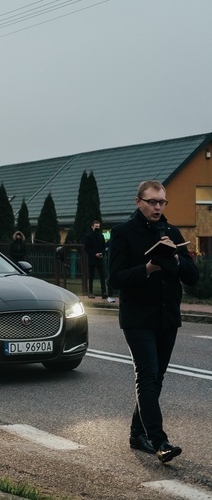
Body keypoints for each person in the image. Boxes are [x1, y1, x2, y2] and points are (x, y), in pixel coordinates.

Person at [108, 180, 199, 463]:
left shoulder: (171, 232)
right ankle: (160, 441)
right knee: (147, 376)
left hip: (167, 316)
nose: (158, 207)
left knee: (156, 378)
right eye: (152, 202)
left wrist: (176, 257)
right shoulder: (124, 233)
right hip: (137, 317)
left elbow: (193, 278)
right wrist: (147, 268)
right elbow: (115, 279)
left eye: (162, 202)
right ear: (139, 202)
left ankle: (138, 434)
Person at [84, 220, 110, 300]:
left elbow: (103, 246)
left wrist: (101, 253)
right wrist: (94, 254)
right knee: (91, 276)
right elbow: (87, 248)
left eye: (98, 226)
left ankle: (104, 292)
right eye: (96, 227)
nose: (97, 228)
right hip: (92, 259)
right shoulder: (89, 236)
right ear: (92, 227)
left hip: (100, 259)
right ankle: (91, 292)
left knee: (102, 276)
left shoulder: (101, 236)